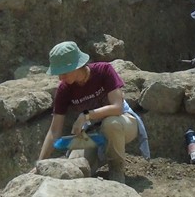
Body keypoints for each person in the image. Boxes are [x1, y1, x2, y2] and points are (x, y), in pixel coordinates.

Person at [37, 41, 149, 184]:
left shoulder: (104, 71)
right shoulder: (64, 89)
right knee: (75, 168)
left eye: (63, 73)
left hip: (123, 123)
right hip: (93, 133)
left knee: (111, 124)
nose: (60, 78)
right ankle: (96, 163)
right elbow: (54, 131)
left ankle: (116, 169)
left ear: (77, 66)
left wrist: (86, 115)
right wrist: (39, 164)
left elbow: (117, 107)